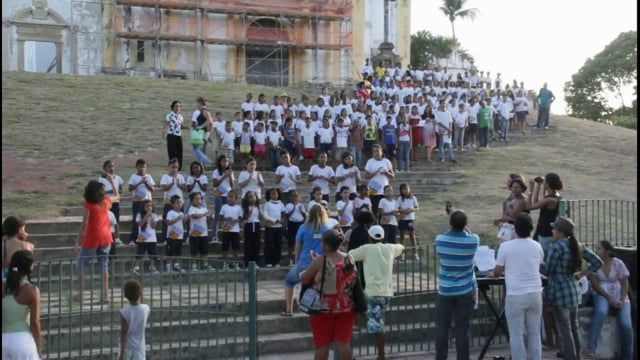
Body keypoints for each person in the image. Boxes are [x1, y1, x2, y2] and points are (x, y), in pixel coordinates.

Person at [541, 216, 603, 360]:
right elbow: (597, 262)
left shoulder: (556, 247)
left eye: (554, 228)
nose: (552, 231)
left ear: (560, 232)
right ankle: (577, 357)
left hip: (559, 291)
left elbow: (548, 269)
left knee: (565, 329)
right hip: (573, 289)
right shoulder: (577, 245)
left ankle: (570, 357)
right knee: (574, 327)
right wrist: (582, 274)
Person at [301, 229, 358, 360]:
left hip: (323, 308)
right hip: (346, 306)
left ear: (326, 245)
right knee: (343, 343)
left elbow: (305, 279)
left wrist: (313, 263)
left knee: (322, 345)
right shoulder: (349, 258)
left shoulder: (320, 260)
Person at [349, 225, 404, 360]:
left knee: (376, 326)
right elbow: (402, 247)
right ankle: (380, 355)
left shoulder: (366, 249)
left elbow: (350, 254)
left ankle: (381, 356)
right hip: (387, 293)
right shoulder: (390, 248)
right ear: (383, 236)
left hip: (372, 293)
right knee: (378, 322)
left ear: (369, 237)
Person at [493, 214, 544, 359]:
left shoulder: (506, 246)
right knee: (534, 332)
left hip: (516, 293)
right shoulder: (537, 245)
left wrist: (493, 273)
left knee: (516, 333)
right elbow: (538, 263)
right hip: (535, 292)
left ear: (515, 229)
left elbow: (498, 271)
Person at [434, 210, 479, 360]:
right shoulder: (473, 240)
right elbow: (470, 235)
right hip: (465, 289)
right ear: (466, 224)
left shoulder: (440, 240)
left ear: (450, 223)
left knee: (442, 327)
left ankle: (441, 357)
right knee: (462, 327)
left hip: (445, 290)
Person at [585, 240, 634, 359]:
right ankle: (591, 346)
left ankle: (628, 356)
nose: (596, 251)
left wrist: (622, 300)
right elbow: (595, 285)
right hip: (602, 292)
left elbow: (624, 284)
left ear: (607, 251)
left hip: (619, 293)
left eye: (599, 249)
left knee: (626, 324)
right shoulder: (594, 265)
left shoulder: (618, 263)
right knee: (601, 311)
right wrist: (609, 297)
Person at [75, 179, 119, 303]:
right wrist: (112, 182)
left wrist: (79, 238)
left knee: (82, 265)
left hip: (92, 238)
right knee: (104, 266)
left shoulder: (89, 206)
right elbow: (117, 196)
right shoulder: (106, 202)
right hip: (106, 238)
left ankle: (81, 294)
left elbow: (85, 223)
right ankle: (105, 295)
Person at [282, 204, 331, 316]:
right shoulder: (325, 229)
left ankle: (289, 309)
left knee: (289, 281)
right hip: (320, 264)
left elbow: (297, 248)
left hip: (305, 262)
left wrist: (296, 262)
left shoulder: (303, 228)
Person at [2, 250, 41, 359]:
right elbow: (35, 322)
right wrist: (38, 346)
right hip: (23, 341)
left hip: (3, 341)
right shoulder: (32, 290)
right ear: (29, 268)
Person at [528, 172, 563, 253]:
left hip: (545, 232)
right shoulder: (556, 196)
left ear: (547, 184)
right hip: (548, 230)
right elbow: (536, 202)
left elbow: (530, 207)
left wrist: (531, 190)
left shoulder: (550, 199)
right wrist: (538, 186)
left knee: (541, 256)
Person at [119, 279, 150, 360]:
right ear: (140, 293)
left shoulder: (124, 312)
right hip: (140, 347)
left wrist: (122, 353)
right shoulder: (146, 309)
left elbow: (123, 332)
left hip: (127, 348)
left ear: (125, 295)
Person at [494, 176, 528, 244]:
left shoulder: (522, 201)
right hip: (508, 228)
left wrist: (508, 205)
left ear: (522, 188)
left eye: (517, 187)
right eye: (513, 187)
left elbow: (513, 215)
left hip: (519, 230)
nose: (514, 189)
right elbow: (504, 215)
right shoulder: (510, 199)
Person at [127, 159, 155, 245]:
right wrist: (140, 182)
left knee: (147, 220)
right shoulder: (133, 177)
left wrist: (146, 183)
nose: (142, 168)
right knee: (136, 220)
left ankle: (146, 237)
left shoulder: (149, 177)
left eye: (143, 166)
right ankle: (133, 239)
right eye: (140, 166)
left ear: (146, 167)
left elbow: (152, 189)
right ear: (136, 167)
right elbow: (130, 188)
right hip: (137, 202)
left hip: (147, 203)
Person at [364, 144, 395, 220]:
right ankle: (374, 225)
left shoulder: (386, 161)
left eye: (377, 151)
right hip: (373, 189)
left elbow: (392, 176)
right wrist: (376, 171)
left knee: (384, 208)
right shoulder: (370, 162)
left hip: (384, 190)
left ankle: (383, 225)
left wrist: (386, 172)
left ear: (381, 151)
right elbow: (366, 176)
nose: (376, 153)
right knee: (374, 208)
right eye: (374, 151)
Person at [159, 158, 186, 243]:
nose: (174, 169)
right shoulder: (165, 177)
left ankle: (179, 237)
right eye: (172, 167)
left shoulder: (180, 177)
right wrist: (171, 183)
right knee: (167, 221)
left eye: (176, 167)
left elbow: (185, 188)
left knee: (180, 221)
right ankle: (165, 239)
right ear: (169, 167)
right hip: (169, 203)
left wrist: (179, 184)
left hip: (179, 204)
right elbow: (164, 188)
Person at [98, 160, 124, 246]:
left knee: (116, 220)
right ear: (105, 168)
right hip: (105, 202)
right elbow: (100, 191)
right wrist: (110, 191)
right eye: (109, 166)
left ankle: (117, 238)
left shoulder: (118, 178)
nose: (111, 168)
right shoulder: (101, 179)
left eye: (113, 166)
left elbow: (120, 190)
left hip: (115, 202)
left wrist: (116, 191)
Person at [132, 199, 160, 275]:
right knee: (140, 252)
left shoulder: (154, 215)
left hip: (151, 238)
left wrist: (151, 218)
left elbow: (153, 226)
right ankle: (136, 267)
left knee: (153, 253)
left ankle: (152, 266)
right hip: (142, 237)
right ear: (143, 207)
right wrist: (146, 216)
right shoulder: (139, 215)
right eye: (147, 206)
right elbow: (140, 224)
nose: (149, 208)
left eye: (150, 206)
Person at [187, 192, 214, 272]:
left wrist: (210, 217)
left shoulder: (204, 208)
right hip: (194, 234)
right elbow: (194, 216)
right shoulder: (191, 209)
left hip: (204, 233)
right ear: (192, 200)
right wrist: (204, 214)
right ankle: (194, 265)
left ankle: (204, 264)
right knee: (194, 251)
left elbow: (207, 219)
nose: (198, 200)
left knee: (204, 250)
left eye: (200, 198)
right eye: (196, 199)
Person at [211, 155, 235, 244]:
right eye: (223, 161)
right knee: (217, 215)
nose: (225, 163)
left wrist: (229, 176)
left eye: (227, 161)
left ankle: (227, 233)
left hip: (227, 195)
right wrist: (224, 176)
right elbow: (215, 184)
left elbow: (232, 185)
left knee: (227, 215)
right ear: (220, 162)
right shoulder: (216, 172)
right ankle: (214, 235)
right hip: (218, 194)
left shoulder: (230, 172)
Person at [218, 191, 243, 270]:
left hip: (235, 230)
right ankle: (225, 263)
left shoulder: (238, 207)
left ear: (235, 198)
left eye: (232, 197)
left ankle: (236, 263)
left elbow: (240, 218)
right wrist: (226, 218)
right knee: (225, 248)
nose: (230, 198)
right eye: (228, 197)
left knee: (236, 248)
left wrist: (237, 220)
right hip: (226, 230)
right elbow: (220, 217)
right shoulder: (224, 207)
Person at [262, 188, 285, 268]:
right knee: (269, 244)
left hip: (279, 227)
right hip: (270, 226)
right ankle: (268, 261)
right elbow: (265, 214)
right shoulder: (267, 204)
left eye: (275, 194)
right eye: (272, 194)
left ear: (278, 194)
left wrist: (281, 220)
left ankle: (277, 261)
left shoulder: (281, 204)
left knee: (278, 245)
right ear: (269, 195)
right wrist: (273, 220)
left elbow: (283, 214)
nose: (274, 195)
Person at [396, 183, 419, 260]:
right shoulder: (399, 199)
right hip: (402, 219)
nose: (405, 191)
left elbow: (417, 207)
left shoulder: (413, 198)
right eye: (403, 189)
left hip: (410, 219)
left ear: (409, 189)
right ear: (401, 191)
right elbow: (398, 209)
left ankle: (415, 253)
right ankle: (401, 254)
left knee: (412, 236)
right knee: (402, 237)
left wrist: (412, 209)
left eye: (406, 189)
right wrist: (404, 211)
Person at [284, 190, 306, 266]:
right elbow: (286, 216)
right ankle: (290, 259)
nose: (295, 198)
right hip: (292, 224)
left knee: (301, 241)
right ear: (290, 197)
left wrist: (301, 210)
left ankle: (300, 259)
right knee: (291, 242)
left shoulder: (301, 205)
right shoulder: (288, 205)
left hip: (300, 224)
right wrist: (293, 209)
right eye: (293, 196)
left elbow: (305, 216)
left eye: (296, 196)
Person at [164, 195, 186, 272]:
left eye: (180, 203)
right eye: (177, 203)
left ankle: (176, 266)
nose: (179, 205)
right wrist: (176, 219)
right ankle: (169, 266)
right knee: (170, 252)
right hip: (171, 236)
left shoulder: (182, 213)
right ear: (172, 204)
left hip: (179, 236)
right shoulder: (170, 212)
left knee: (178, 252)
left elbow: (183, 222)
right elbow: (168, 223)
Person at [163, 100, 186, 171]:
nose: (177, 108)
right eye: (176, 106)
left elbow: (180, 126)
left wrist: (186, 127)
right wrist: (163, 131)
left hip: (178, 135)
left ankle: (179, 168)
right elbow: (166, 124)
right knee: (172, 152)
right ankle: (172, 167)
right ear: (172, 107)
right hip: (171, 135)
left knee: (180, 152)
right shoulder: (169, 115)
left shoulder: (181, 117)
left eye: (179, 106)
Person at [241, 191, 262, 268]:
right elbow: (243, 219)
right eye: (250, 197)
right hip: (248, 225)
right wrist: (248, 214)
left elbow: (260, 217)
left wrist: (260, 211)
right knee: (248, 245)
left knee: (256, 245)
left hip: (256, 224)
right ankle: (248, 263)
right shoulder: (245, 208)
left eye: (253, 196)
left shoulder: (258, 207)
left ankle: (255, 262)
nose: (252, 198)